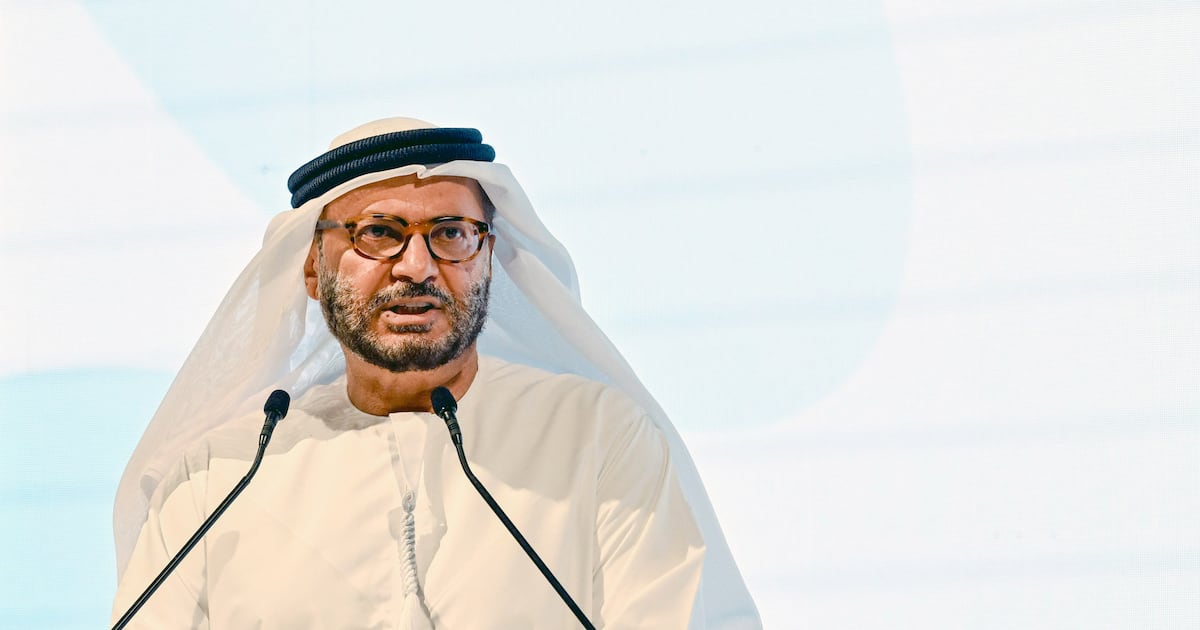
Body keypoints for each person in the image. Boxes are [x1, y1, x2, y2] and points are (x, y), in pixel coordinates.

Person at [110, 118, 761, 628]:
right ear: (311, 267)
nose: (417, 266)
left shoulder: (596, 439)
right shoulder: (220, 478)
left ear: (488, 257)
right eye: (377, 232)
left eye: (451, 233)